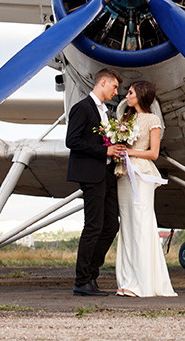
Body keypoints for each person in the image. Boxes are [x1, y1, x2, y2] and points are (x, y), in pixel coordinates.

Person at [66, 68, 126, 297]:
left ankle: (91, 273)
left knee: (111, 225)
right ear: (103, 82)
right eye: (114, 86)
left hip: (107, 174)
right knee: (93, 226)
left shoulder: (105, 112)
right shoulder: (82, 108)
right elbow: (72, 140)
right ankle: (82, 280)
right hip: (91, 175)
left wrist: (113, 151)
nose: (116, 91)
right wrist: (105, 150)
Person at [114, 80, 177, 297]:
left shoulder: (152, 120)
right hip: (122, 173)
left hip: (141, 173)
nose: (126, 96)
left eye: (130, 93)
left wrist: (129, 152)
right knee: (128, 225)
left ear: (140, 95)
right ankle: (127, 280)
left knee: (141, 223)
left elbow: (153, 153)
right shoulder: (126, 118)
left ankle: (142, 282)